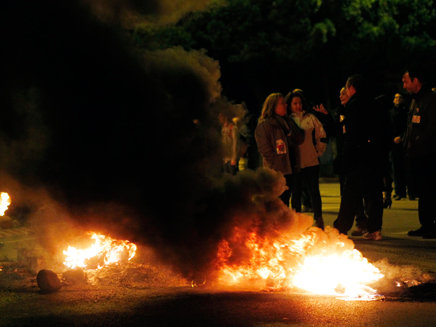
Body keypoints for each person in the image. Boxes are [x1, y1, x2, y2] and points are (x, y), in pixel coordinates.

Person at [333, 75, 389, 240]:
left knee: (350, 194)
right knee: (374, 194)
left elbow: (352, 135)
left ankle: (340, 229)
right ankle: (374, 229)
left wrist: (345, 157)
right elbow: (386, 130)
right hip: (376, 156)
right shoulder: (376, 104)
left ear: (351, 88)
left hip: (358, 157)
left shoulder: (354, 105)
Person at [402, 66, 436, 239]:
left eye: (405, 81)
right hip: (416, 154)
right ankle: (426, 224)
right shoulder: (415, 100)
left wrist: (417, 141)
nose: (404, 86)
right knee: (423, 191)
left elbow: (432, 128)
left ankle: (432, 225)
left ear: (416, 81)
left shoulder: (430, 99)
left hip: (428, 154)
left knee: (430, 190)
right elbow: (411, 126)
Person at [329, 87, 368, 236]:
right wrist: (327, 117)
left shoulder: (354, 109)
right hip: (343, 157)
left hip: (353, 157)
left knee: (354, 191)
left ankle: (358, 223)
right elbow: (335, 130)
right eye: (339, 93)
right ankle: (355, 222)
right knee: (347, 192)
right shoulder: (340, 111)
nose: (340, 96)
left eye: (343, 93)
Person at [285, 91, 327, 229]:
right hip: (295, 163)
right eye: (295, 103)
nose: (298, 106)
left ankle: (318, 219)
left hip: (311, 162)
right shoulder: (287, 120)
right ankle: (297, 221)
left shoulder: (311, 118)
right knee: (296, 192)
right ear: (289, 105)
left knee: (314, 191)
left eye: (300, 103)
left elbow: (321, 134)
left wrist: (318, 151)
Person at [255, 93, 304, 207]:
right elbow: (265, 150)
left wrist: (293, 135)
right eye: (282, 103)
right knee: (277, 203)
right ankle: (276, 225)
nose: (286, 105)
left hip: (290, 168)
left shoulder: (288, 121)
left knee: (286, 200)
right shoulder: (265, 125)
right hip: (276, 171)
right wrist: (277, 163)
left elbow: (300, 138)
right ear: (273, 106)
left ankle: (287, 224)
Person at [391, 93, 414, 200]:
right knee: (396, 168)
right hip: (394, 143)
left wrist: (401, 137)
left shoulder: (406, 112)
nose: (398, 99)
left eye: (400, 97)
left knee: (408, 167)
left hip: (405, 142)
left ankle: (411, 191)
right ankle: (399, 191)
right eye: (396, 98)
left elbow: (409, 126)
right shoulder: (391, 113)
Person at [219, 111, 239, 175]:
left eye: (221, 116)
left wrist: (234, 158)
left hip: (231, 158)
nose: (219, 118)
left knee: (232, 175)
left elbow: (235, 143)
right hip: (225, 158)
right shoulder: (223, 128)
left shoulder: (233, 128)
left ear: (226, 117)